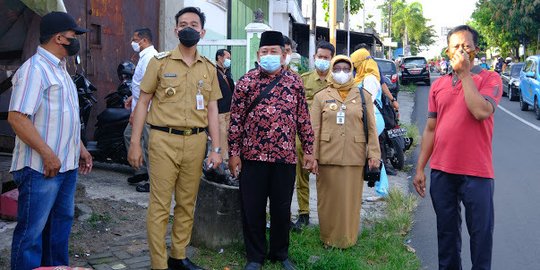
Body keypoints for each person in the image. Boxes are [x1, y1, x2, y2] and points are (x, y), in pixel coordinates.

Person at [127, 7, 222, 270]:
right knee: (159, 205)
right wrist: (135, 143)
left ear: (202, 31)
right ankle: (159, 264)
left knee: (187, 203)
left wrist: (216, 148)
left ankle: (178, 256)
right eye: (183, 24)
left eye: (193, 24)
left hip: (195, 141)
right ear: (175, 30)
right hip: (162, 140)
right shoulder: (159, 62)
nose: (188, 28)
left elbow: (212, 109)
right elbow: (142, 102)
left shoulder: (209, 68)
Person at [8, 11, 92, 270]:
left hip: (64, 167)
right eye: (73, 36)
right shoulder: (34, 70)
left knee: (58, 231)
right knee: (31, 235)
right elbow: (17, 118)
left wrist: (81, 148)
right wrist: (47, 153)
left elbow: (63, 116)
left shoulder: (62, 70)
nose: (76, 40)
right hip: (40, 168)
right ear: (58, 38)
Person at [413, 25, 502, 270]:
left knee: (481, 239)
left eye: (466, 46)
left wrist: (464, 75)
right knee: (447, 238)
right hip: (442, 172)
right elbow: (431, 129)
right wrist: (420, 168)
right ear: (447, 52)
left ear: (476, 50)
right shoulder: (438, 85)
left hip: (478, 174)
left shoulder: (490, 79)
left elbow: (481, 111)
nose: (461, 51)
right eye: (455, 47)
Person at [228, 30, 317, 270]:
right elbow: (235, 120)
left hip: (284, 156)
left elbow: (303, 119)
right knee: (252, 208)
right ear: (258, 54)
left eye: (274, 52)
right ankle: (255, 257)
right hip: (252, 156)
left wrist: (309, 150)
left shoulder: (294, 82)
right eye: (264, 52)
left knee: (281, 208)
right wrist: (233, 153)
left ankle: (280, 253)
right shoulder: (246, 82)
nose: (269, 55)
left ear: (283, 54)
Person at [310, 55, 380, 248]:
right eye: (338, 68)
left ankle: (347, 239)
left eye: (346, 69)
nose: (341, 73)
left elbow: (372, 128)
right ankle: (328, 238)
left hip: (354, 155)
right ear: (332, 70)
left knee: (350, 201)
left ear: (352, 72)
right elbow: (314, 129)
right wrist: (312, 157)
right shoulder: (321, 96)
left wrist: (374, 154)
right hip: (327, 155)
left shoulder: (363, 95)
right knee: (328, 200)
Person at [292, 40, 335, 231]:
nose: (322, 60)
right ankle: (303, 213)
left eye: (326, 58)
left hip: (328, 137)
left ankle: (328, 214)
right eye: (320, 57)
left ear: (332, 60)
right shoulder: (304, 80)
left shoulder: (337, 82)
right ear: (314, 57)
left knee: (326, 176)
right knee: (301, 175)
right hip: (304, 136)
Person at [351, 48, 389, 199]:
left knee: (370, 153)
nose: (354, 70)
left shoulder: (369, 79)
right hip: (370, 117)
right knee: (372, 153)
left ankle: (381, 189)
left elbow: (366, 101)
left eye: (355, 65)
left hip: (372, 118)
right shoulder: (364, 77)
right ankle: (382, 189)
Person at [123, 27, 158, 192]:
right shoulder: (144, 57)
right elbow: (142, 85)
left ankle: (153, 181)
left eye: (135, 40)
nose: (133, 43)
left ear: (143, 41)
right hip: (139, 106)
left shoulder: (150, 58)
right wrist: (132, 97)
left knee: (148, 145)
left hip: (146, 110)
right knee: (129, 135)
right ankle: (142, 171)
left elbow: (151, 89)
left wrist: (136, 112)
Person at [215, 49, 235, 161]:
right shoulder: (214, 72)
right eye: (227, 57)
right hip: (219, 111)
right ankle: (222, 161)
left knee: (227, 137)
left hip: (229, 111)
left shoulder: (226, 72)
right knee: (222, 137)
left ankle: (227, 160)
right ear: (220, 57)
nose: (229, 60)